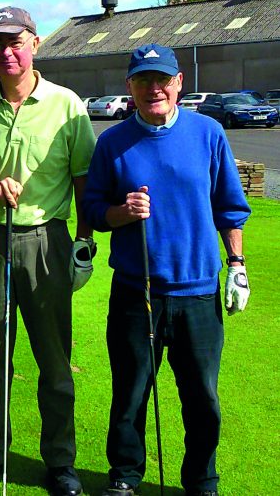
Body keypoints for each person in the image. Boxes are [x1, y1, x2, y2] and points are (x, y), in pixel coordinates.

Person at [82, 43, 251, 496]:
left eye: (162, 79)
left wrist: (237, 265)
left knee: (203, 399)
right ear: (129, 87)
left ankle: (201, 479)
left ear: (179, 83)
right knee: (132, 394)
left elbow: (230, 209)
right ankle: (124, 475)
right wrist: (122, 212)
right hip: (138, 293)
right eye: (143, 80)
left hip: (198, 291)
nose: (153, 88)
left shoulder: (208, 132)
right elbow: (94, 210)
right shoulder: (112, 142)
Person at [0, 6, 97, 495]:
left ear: (35, 43)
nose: (5, 52)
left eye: (15, 42)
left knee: (54, 359)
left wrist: (84, 242)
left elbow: (83, 180)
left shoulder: (67, 104)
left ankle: (60, 461)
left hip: (46, 242)